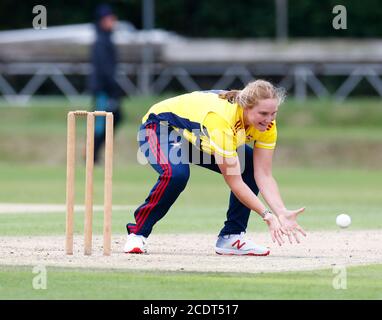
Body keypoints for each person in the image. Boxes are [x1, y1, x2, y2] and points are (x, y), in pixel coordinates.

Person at [124, 80, 306, 255]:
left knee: (249, 166)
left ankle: (231, 237)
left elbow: (263, 174)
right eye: (263, 114)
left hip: (198, 136)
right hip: (159, 127)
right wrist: (267, 215)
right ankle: (137, 233)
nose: (269, 120)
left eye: (273, 113)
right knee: (176, 175)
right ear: (246, 107)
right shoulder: (221, 120)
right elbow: (234, 181)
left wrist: (280, 211)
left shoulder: (267, 126)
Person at [88, 4, 123, 163]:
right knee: (100, 124)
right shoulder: (101, 41)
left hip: (108, 89)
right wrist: (114, 89)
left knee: (117, 117)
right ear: (102, 21)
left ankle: (95, 154)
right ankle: (92, 156)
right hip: (103, 90)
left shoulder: (107, 38)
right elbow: (104, 69)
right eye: (110, 18)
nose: (113, 21)